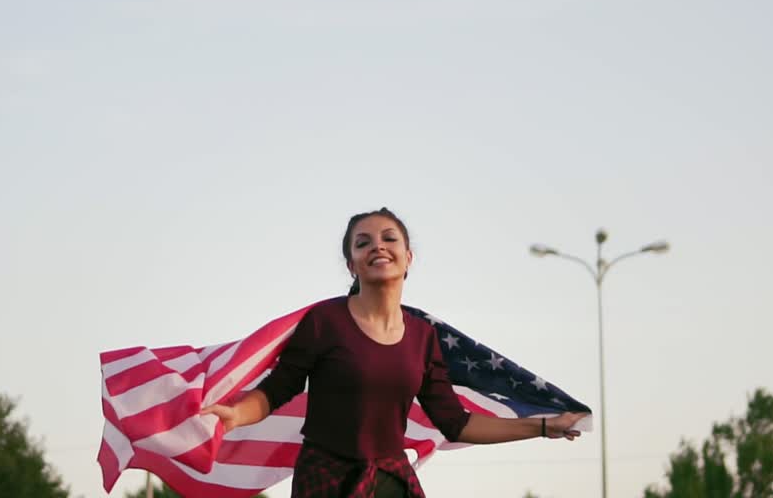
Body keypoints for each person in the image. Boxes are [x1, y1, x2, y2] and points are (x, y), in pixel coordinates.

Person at [200, 207, 586, 498]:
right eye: (363, 242)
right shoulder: (325, 321)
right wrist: (236, 414)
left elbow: (455, 422)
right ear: (351, 265)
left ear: (408, 257)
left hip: (390, 479)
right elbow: (276, 390)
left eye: (389, 238)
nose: (377, 247)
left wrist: (540, 426)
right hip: (326, 479)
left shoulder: (422, 337)